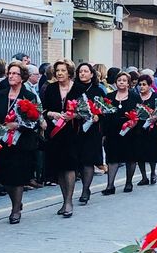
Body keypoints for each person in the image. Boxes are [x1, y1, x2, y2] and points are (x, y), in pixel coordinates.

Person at [0, 61, 39, 224]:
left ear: (22, 77)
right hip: (3, 141)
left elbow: (34, 120)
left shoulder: (29, 96)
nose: (11, 76)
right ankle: (17, 202)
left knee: (17, 176)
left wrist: (18, 125)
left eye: (15, 74)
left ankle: (15, 210)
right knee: (5, 177)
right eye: (9, 73)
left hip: (21, 142)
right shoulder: (1, 94)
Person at [41, 59, 80, 218]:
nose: (60, 73)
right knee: (60, 168)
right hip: (55, 132)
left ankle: (69, 202)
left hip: (72, 132)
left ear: (69, 72)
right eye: (57, 71)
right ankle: (64, 200)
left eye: (63, 70)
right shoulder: (50, 88)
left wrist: (74, 115)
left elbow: (86, 111)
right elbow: (43, 109)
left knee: (69, 166)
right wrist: (51, 114)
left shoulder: (78, 88)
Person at [72, 62, 105, 204]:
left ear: (92, 74)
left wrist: (98, 116)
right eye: (80, 71)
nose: (82, 74)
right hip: (76, 128)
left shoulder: (98, 90)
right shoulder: (73, 89)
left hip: (92, 130)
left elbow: (104, 108)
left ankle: (86, 190)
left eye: (86, 71)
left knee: (88, 161)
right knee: (78, 161)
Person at [100, 71, 137, 194]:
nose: (121, 82)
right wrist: (104, 133)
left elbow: (139, 113)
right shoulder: (109, 96)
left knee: (130, 157)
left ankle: (129, 182)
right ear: (115, 82)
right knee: (112, 158)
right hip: (113, 131)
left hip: (130, 131)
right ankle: (110, 186)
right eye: (119, 80)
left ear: (128, 83)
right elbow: (104, 115)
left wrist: (134, 122)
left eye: (124, 80)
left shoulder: (134, 96)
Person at [132, 74, 157, 184]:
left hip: (152, 129)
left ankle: (153, 172)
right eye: (140, 84)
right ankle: (144, 177)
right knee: (139, 153)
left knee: (152, 152)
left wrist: (156, 117)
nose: (141, 87)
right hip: (139, 128)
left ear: (150, 86)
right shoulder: (136, 97)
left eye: (144, 84)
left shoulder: (156, 96)